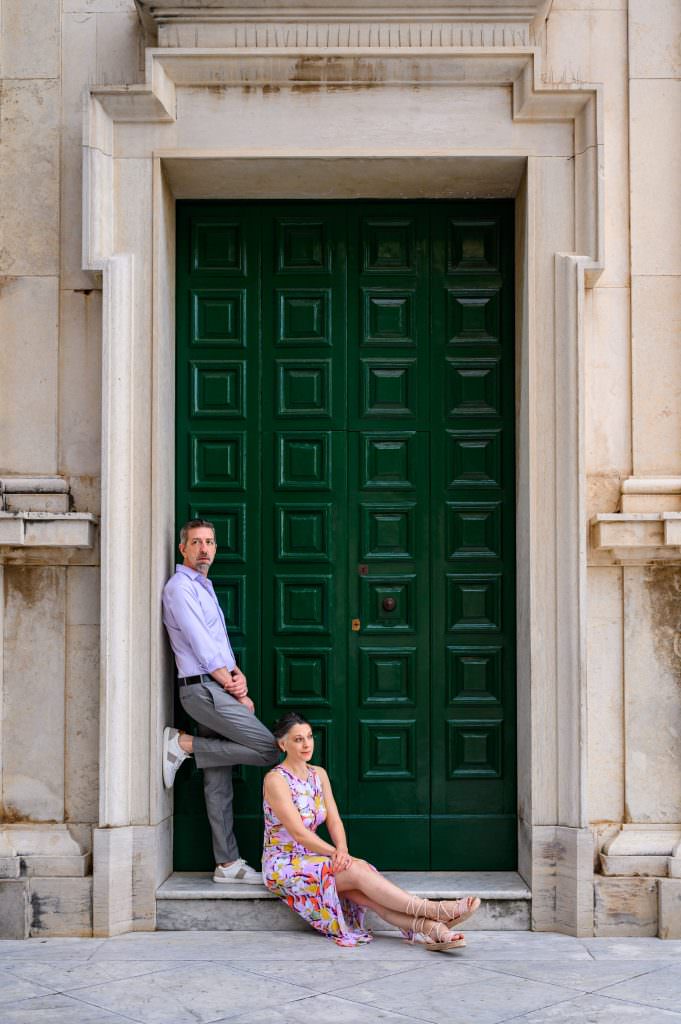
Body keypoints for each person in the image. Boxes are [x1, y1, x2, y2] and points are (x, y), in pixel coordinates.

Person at [262, 711, 481, 951]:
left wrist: (342, 849)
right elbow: (299, 833)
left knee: (368, 894)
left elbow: (334, 820)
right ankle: (434, 910)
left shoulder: (318, 774)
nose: (306, 744)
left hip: (315, 858)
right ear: (283, 744)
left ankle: (435, 930)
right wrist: (338, 855)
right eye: (298, 739)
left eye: (309, 737)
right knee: (358, 870)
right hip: (284, 865)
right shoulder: (276, 780)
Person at [162, 518, 279, 884]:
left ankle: (226, 863)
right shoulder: (179, 588)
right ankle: (184, 743)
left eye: (209, 542)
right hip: (201, 689)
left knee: (218, 782)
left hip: (213, 685)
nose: (203, 549)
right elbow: (199, 643)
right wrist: (233, 688)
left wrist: (237, 673)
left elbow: (217, 644)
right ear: (183, 548)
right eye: (196, 542)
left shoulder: (204, 587)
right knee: (268, 750)